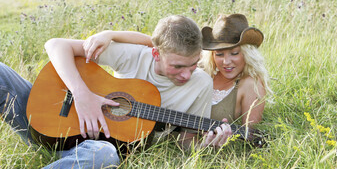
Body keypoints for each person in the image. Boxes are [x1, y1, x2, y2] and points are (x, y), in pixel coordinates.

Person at [0, 15, 230, 169]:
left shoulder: (200, 84)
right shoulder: (135, 54)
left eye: (193, 64)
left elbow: (186, 142)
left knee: (105, 157)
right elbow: (55, 45)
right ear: (156, 53)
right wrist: (82, 95)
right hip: (47, 119)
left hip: (90, 148)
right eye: (177, 66)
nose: (186, 74)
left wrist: (207, 146)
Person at [83, 13, 271, 142]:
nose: (226, 62)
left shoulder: (250, 85)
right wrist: (111, 34)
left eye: (234, 53)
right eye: (219, 54)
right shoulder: (196, 69)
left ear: (247, 53)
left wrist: (216, 141)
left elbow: (248, 131)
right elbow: (161, 45)